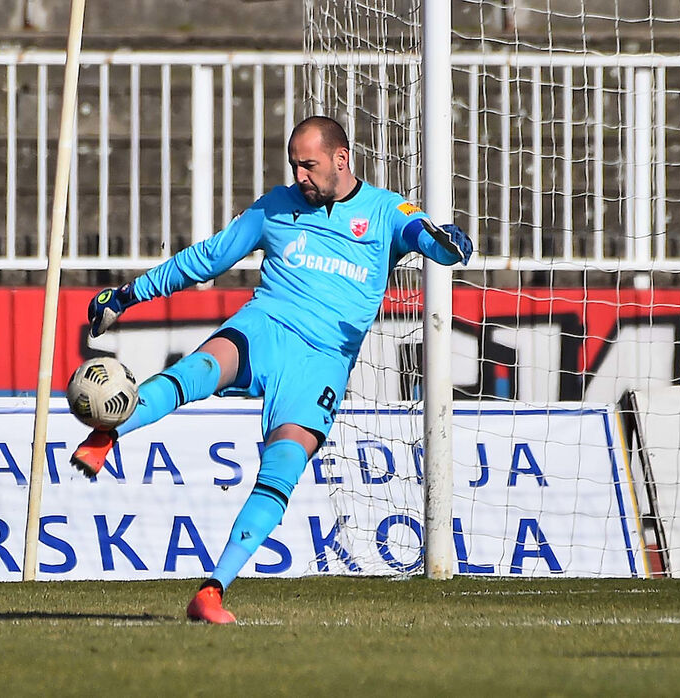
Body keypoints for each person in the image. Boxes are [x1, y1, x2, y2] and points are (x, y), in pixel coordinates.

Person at [70, 116, 472, 623]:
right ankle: (111, 430)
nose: (300, 175)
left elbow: (425, 237)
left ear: (340, 160)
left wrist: (449, 243)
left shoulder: (385, 210)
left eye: (309, 164)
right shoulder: (273, 209)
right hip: (266, 326)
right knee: (201, 369)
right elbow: (207, 258)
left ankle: (212, 591)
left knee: (282, 469)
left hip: (324, 362)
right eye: (295, 165)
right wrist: (128, 296)